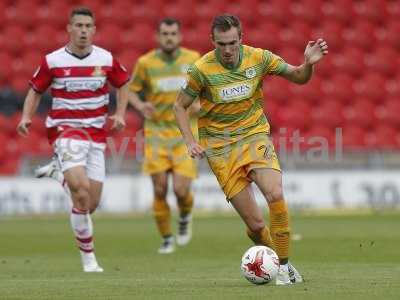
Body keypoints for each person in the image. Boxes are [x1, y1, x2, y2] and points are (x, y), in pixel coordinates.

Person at [174, 14, 328, 285]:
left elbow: (298, 77)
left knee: (275, 192)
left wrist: (308, 64)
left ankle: (284, 267)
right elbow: (179, 106)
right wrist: (190, 141)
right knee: (256, 226)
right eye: (222, 44)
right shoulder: (201, 70)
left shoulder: (259, 58)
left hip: (254, 136)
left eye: (233, 43)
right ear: (212, 42)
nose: (228, 50)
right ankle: (272, 258)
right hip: (220, 149)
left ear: (241, 39)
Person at [17, 7, 130, 272]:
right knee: (80, 193)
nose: (82, 31)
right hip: (65, 131)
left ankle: (58, 174)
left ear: (94, 30)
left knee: (90, 203)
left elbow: (123, 83)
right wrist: (25, 117)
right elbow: (35, 91)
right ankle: (89, 259)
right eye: (78, 25)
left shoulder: (105, 58)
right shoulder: (53, 61)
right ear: (69, 28)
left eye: (87, 26)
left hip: (96, 134)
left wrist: (121, 113)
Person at [128, 18, 200, 254]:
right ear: (158, 37)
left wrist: (200, 104)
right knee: (159, 189)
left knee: (180, 190)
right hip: (156, 133)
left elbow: (208, 87)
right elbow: (130, 91)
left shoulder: (193, 60)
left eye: (173, 33)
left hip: (185, 134)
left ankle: (185, 215)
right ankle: (167, 238)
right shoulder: (145, 63)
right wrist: (140, 106)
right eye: (165, 33)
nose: (169, 37)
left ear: (180, 36)